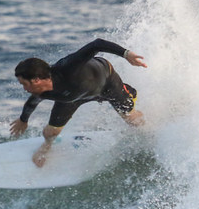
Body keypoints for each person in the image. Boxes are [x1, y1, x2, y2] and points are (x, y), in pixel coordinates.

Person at [10, 38, 147, 167]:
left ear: (37, 80)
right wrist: (23, 120)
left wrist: (126, 54)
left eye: (24, 84)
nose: (24, 89)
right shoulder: (42, 92)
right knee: (50, 132)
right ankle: (47, 146)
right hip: (73, 98)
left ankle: (150, 131)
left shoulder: (67, 67)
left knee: (132, 120)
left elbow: (97, 44)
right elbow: (32, 103)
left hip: (107, 84)